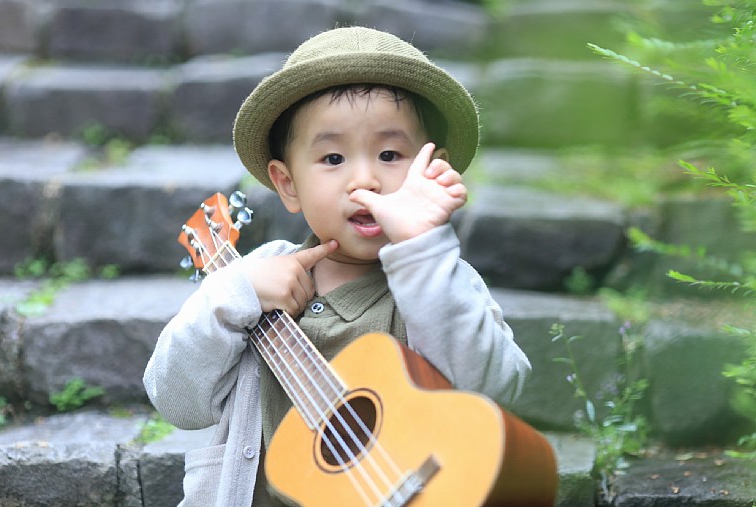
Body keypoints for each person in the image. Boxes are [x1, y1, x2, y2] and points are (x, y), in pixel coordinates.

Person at [144, 26, 531, 507]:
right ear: (287, 184)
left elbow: (495, 391)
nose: (364, 179)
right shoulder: (255, 282)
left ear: (433, 172)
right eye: (332, 157)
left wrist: (422, 252)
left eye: (390, 155)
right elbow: (175, 400)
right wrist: (231, 296)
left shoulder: (442, 281)